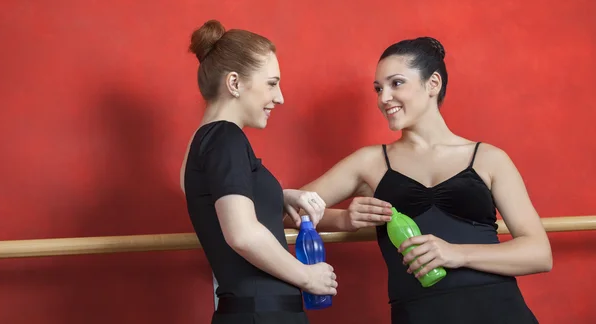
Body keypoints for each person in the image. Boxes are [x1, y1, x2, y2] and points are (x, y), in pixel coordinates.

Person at [295, 37, 553, 323]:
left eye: (396, 83)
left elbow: (539, 253)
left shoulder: (489, 158)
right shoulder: (370, 162)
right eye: (378, 89)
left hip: (499, 311)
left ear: (433, 84)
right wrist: (342, 220)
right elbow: (283, 209)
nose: (383, 98)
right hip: (418, 314)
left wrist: (456, 254)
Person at [179, 20, 337, 324]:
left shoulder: (207, 140)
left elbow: (212, 199)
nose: (280, 97)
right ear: (235, 83)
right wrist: (307, 276)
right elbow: (242, 234)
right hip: (261, 313)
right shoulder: (225, 137)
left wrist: (278, 197)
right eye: (271, 83)